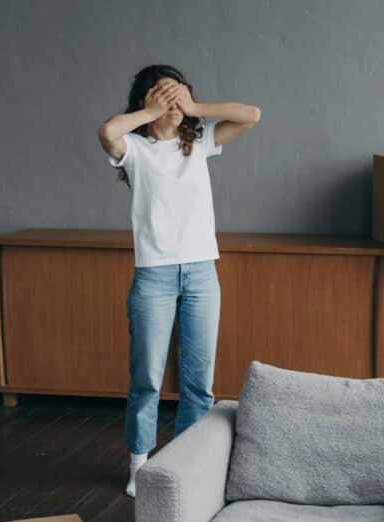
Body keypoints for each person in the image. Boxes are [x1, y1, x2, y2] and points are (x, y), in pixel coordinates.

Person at [98, 64, 260, 496]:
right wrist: (150, 111)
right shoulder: (134, 148)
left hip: (202, 272)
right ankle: (139, 465)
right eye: (161, 95)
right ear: (145, 102)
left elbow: (252, 115)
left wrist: (194, 108)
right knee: (147, 377)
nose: (172, 103)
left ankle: (185, 465)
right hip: (154, 274)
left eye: (178, 94)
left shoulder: (199, 141)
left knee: (198, 382)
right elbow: (108, 131)